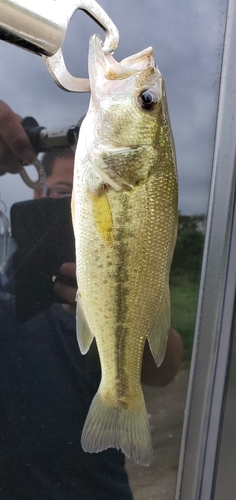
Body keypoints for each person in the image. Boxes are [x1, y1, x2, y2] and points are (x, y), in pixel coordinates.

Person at [0, 101, 183, 499]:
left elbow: (166, 368)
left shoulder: (132, 265)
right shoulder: (8, 290)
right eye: (65, 193)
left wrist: (116, 300)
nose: (74, 206)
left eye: (82, 193)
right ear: (37, 190)